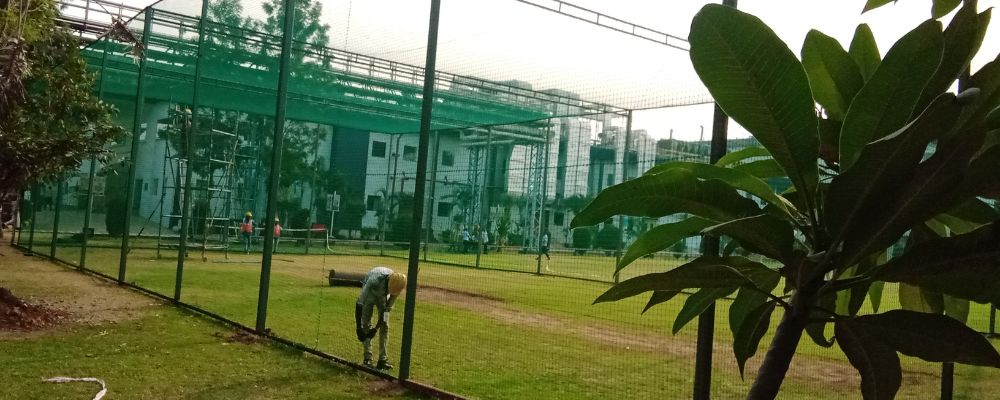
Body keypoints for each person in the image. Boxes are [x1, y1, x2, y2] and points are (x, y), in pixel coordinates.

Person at [355, 267, 407, 370]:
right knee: (366, 324)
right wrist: (358, 328)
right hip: (370, 294)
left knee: (385, 326)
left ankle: (382, 360)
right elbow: (359, 303)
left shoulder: (397, 286)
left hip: (382, 298)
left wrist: (376, 328)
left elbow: (386, 311)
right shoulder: (373, 280)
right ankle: (367, 358)